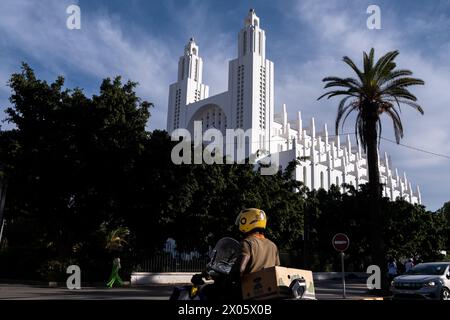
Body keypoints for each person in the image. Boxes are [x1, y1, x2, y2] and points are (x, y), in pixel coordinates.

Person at [235, 208, 280, 276]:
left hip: (250, 285)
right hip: (268, 284)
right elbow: (277, 269)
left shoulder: (247, 243)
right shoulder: (273, 246)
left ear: (245, 221)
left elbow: (240, 269)